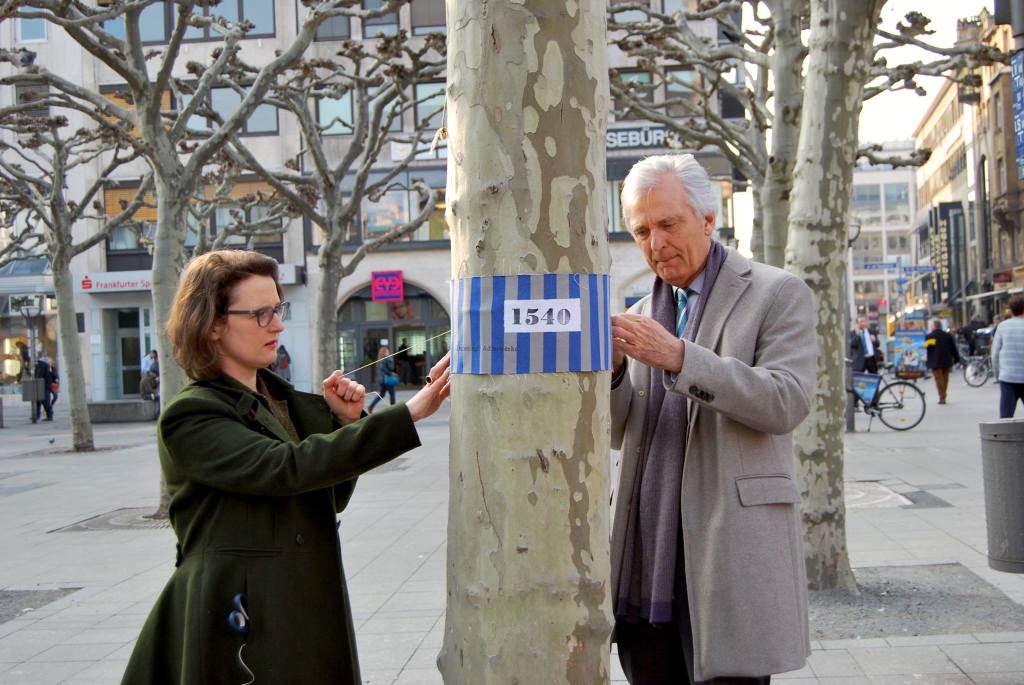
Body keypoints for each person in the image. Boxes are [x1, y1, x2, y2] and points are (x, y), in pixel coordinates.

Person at [121, 250, 451, 685]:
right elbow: (284, 468)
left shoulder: (283, 402)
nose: (277, 324)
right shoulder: (191, 415)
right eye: (260, 314)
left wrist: (342, 422)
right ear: (213, 324)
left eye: (278, 309)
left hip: (299, 604)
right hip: (234, 618)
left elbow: (327, 495)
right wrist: (406, 415)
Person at [609, 153, 815, 684]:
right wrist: (610, 377)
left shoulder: (777, 292)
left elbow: (787, 401)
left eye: (668, 224)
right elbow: (619, 431)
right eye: (641, 231)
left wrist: (681, 359)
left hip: (731, 546)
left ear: (708, 218)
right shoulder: (637, 318)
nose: (656, 244)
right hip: (645, 554)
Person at [992, 294, 1024, 418]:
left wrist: (997, 374)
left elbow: (995, 354)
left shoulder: (1002, 327)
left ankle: (1005, 437)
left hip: (1008, 378)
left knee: (1006, 417)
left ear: (1011, 310)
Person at [925, 320, 959, 405]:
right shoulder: (948, 336)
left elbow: (926, 348)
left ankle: (942, 397)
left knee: (938, 379)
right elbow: (953, 348)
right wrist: (956, 358)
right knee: (945, 379)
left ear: (934, 326)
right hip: (946, 361)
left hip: (935, 362)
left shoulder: (929, 337)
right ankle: (943, 395)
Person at [367, 346, 397, 413]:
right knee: (392, 394)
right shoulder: (387, 359)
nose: (388, 352)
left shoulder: (380, 360)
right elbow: (390, 368)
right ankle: (393, 409)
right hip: (387, 380)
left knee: (381, 395)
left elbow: (382, 370)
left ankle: (371, 406)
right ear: (384, 352)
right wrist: (391, 360)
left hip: (382, 380)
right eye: (387, 351)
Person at [33, 355, 56, 421]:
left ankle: (47, 415)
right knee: (41, 402)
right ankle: (43, 415)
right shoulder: (45, 365)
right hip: (44, 386)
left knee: (44, 402)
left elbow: (39, 375)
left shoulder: (41, 365)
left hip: (43, 386)